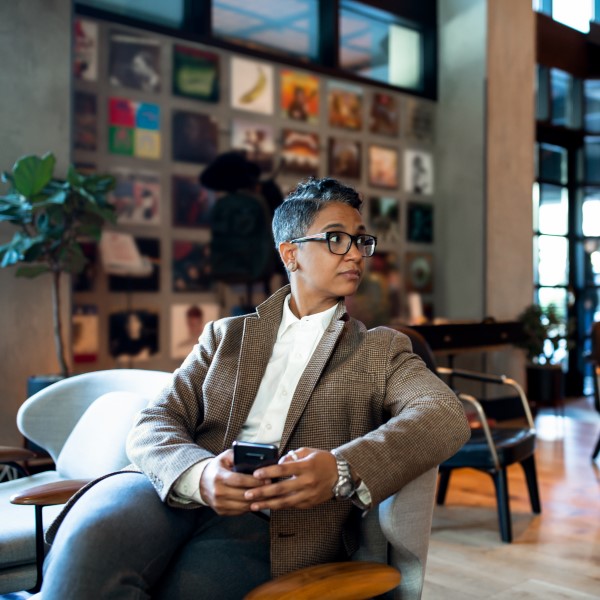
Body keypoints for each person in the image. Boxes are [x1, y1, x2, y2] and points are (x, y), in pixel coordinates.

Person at [41, 177, 470, 599]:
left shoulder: (378, 348)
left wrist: (342, 469)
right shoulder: (225, 335)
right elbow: (157, 420)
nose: (355, 253)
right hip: (166, 488)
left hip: (268, 524)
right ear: (291, 253)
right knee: (81, 567)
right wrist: (200, 473)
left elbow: (443, 414)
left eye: (361, 240)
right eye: (337, 238)